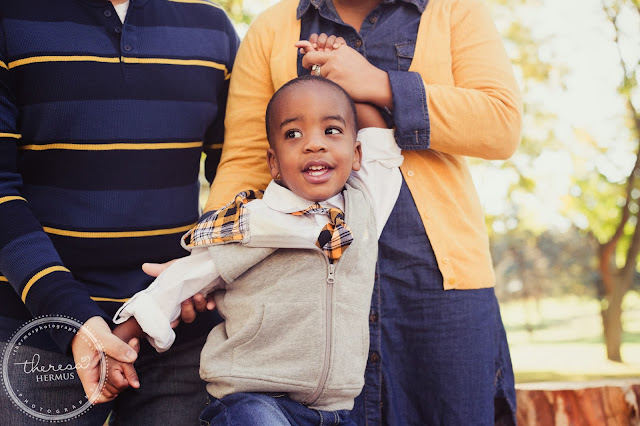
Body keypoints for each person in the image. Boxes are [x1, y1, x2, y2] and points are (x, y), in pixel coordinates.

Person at [204, 0, 523, 424]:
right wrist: (205, 259)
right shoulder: (273, 28)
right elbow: (245, 158)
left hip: (437, 291)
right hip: (304, 295)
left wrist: (380, 84)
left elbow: (501, 125)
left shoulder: (454, 11)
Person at [106, 75, 403, 425]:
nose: (314, 144)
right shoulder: (252, 221)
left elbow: (383, 151)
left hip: (334, 411)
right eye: (294, 134)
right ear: (274, 163)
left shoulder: (365, 210)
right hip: (254, 399)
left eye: (331, 131)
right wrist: (122, 343)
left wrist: (343, 76)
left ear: (355, 155)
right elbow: (183, 279)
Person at [0, 0, 239, 424]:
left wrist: (198, 273)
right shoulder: (10, 17)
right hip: (36, 333)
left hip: (178, 334)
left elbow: (240, 171)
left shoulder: (214, 30)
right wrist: (73, 318)